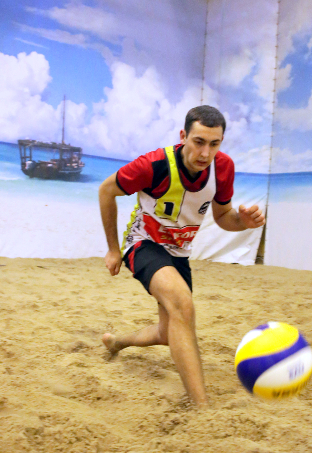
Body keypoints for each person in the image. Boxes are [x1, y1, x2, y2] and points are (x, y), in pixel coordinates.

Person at [99, 105, 265, 408]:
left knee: (169, 332)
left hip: (179, 253)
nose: (205, 153)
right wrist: (113, 249)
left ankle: (117, 342)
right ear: (183, 136)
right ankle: (201, 408)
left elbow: (223, 217)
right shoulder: (154, 165)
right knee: (182, 304)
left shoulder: (223, 167)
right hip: (144, 243)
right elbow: (106, 190)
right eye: (198, 142)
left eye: (214, 144)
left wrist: (243, 223)